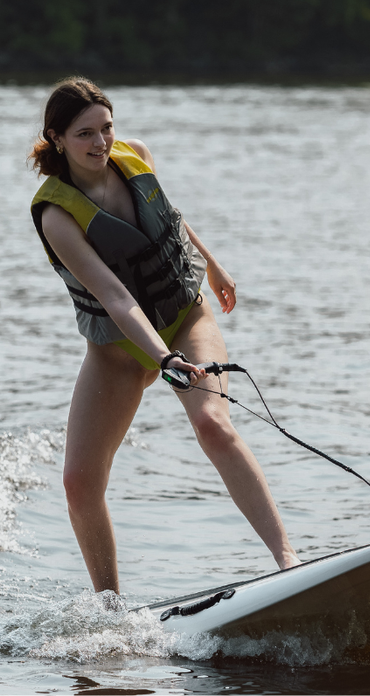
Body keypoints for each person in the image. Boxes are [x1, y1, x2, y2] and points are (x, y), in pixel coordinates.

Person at [28, 77, 300, 594]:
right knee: (79, 483)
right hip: (119, 351)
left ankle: (288, 560)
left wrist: (212, 265)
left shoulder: (136, 154)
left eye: (107, 128)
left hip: (185, 317)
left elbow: (169, 217)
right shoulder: (56, 216)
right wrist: (164, 358)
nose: (101, 142)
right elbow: (114, 296)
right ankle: (111, 609)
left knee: (212, 424)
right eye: (85, 134)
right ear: (57, 138)